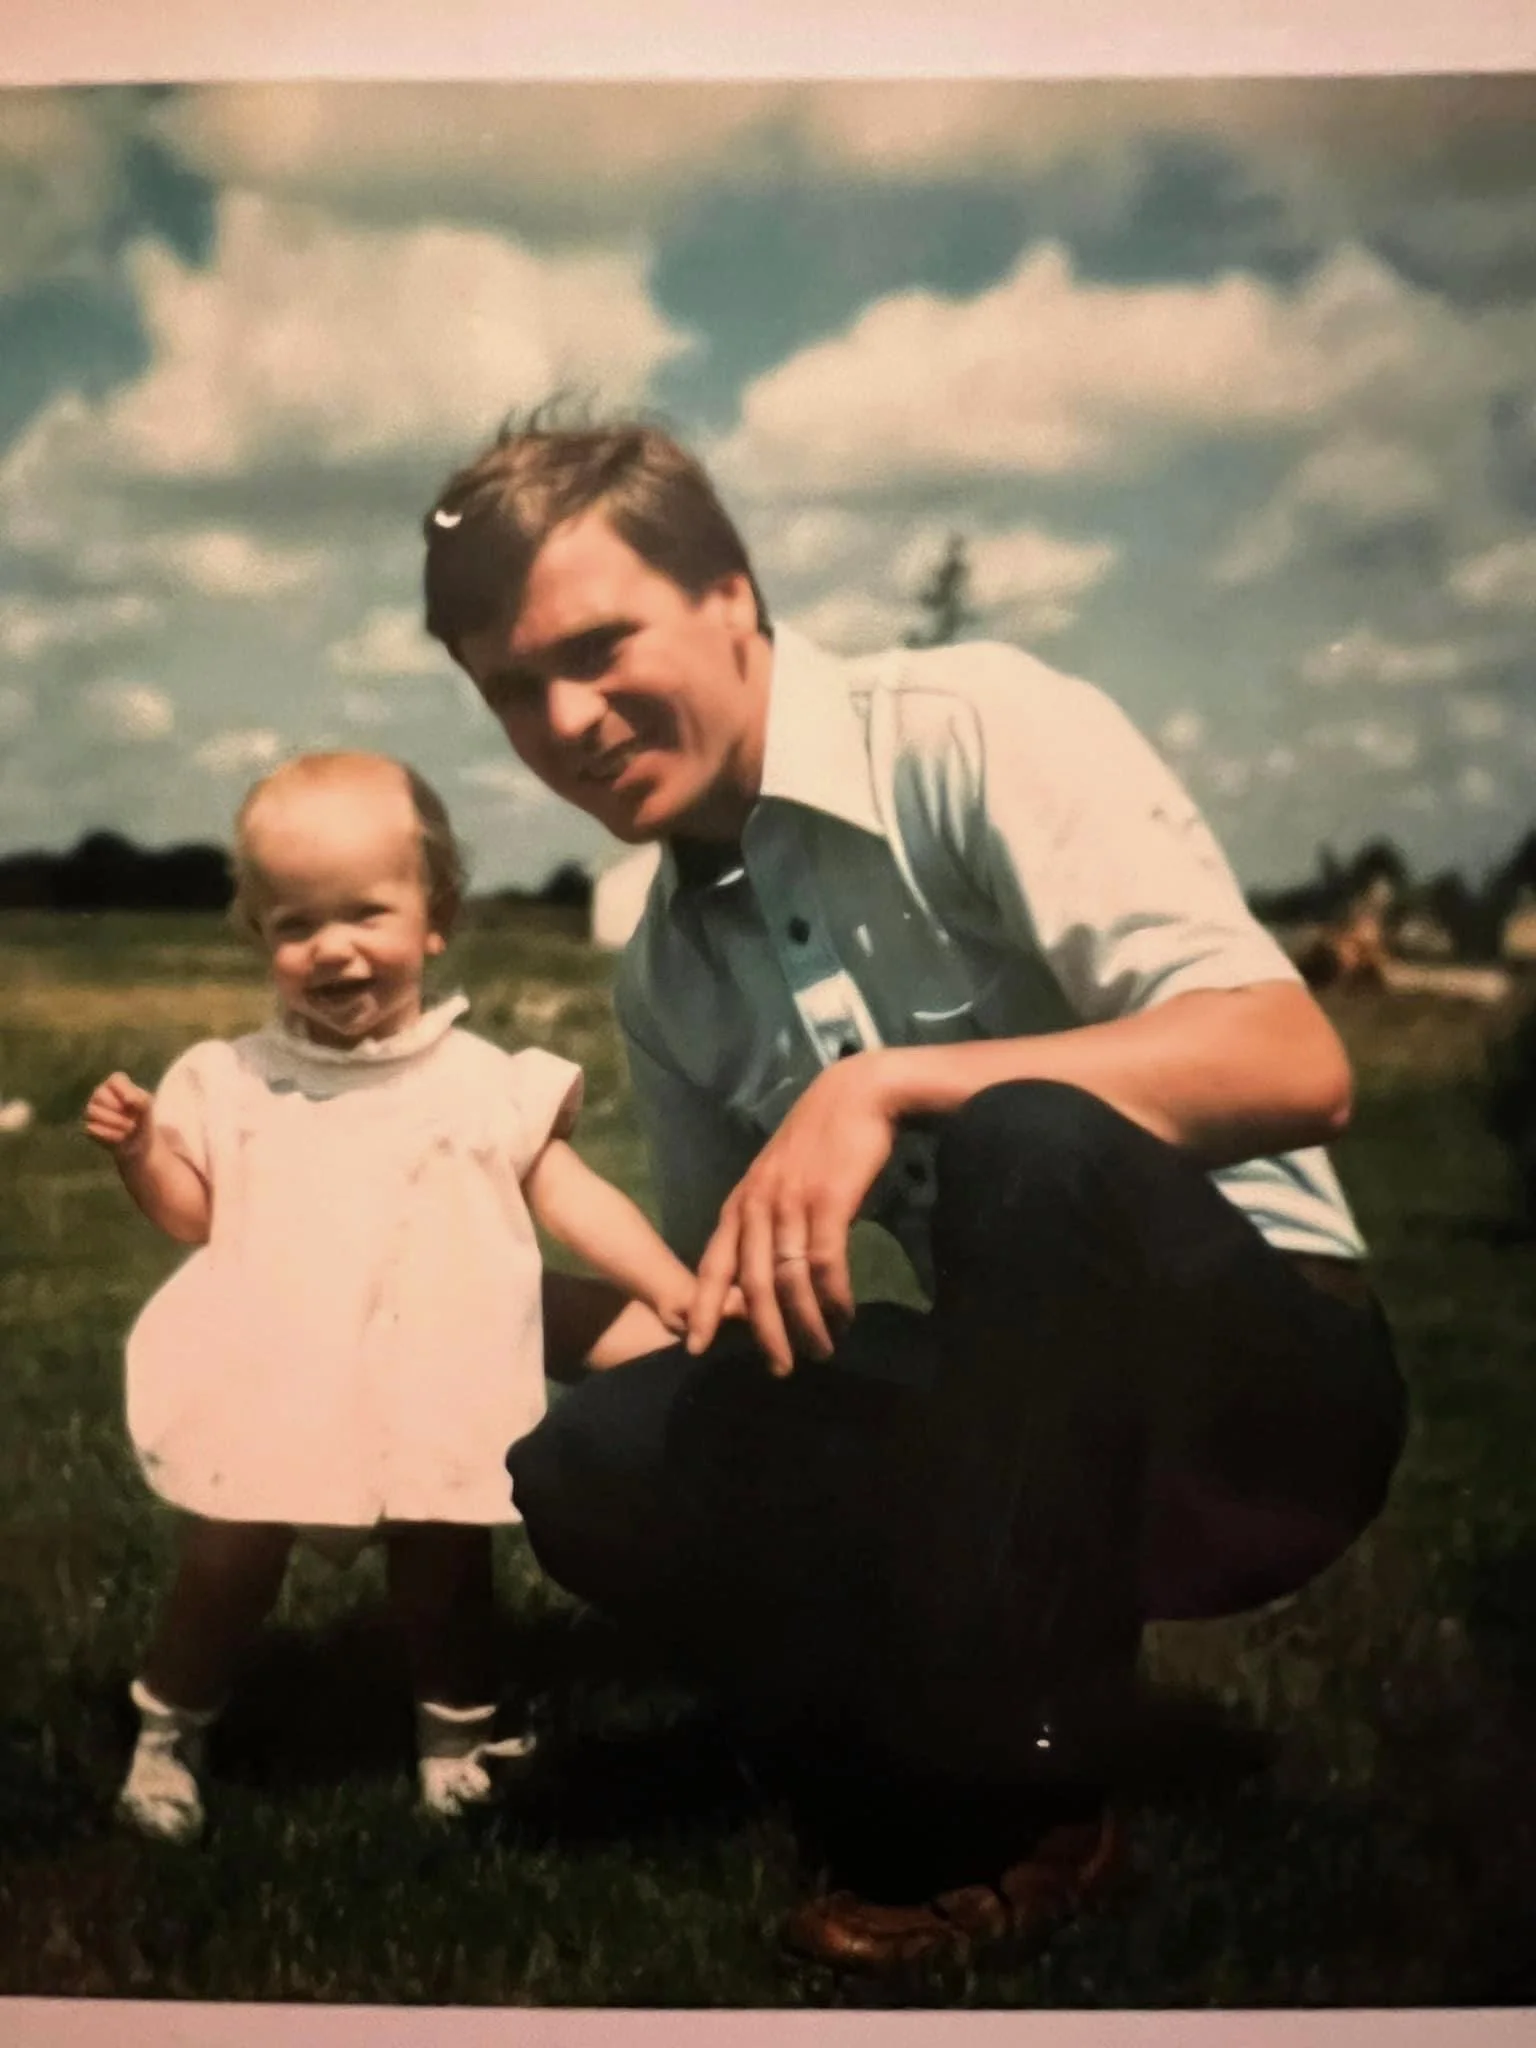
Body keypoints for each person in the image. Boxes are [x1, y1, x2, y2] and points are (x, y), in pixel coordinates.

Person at [421, 421, 1408, 1973]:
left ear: (734, 594)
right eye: (509, 690)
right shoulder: (669, 971)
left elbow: (1298, 1061)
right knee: (597, 1459)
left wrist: (881, 1085)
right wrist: (452, 1291)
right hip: (1021, 1427)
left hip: (1266, 1401)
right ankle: (909, 1717)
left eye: (600, 647)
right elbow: (719, 1331)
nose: (568, 722)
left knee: (1026, 1132)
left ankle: (1013, 1816)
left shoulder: (972, 727)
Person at [84, 750, 703, 1843]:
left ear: (434, 918)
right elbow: (194, 1214)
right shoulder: (232, 1081)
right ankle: (167, 1731)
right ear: (260, 938)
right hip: (275, 1373)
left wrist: (675, 1289)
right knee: (227, 1563)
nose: (333, 946)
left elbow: (574, 1197)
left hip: (431, 1377)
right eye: (294, 922)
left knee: (446, 1565)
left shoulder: (479, 1082)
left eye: (365, 911)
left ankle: (453, 1739)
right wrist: (142, 1150)